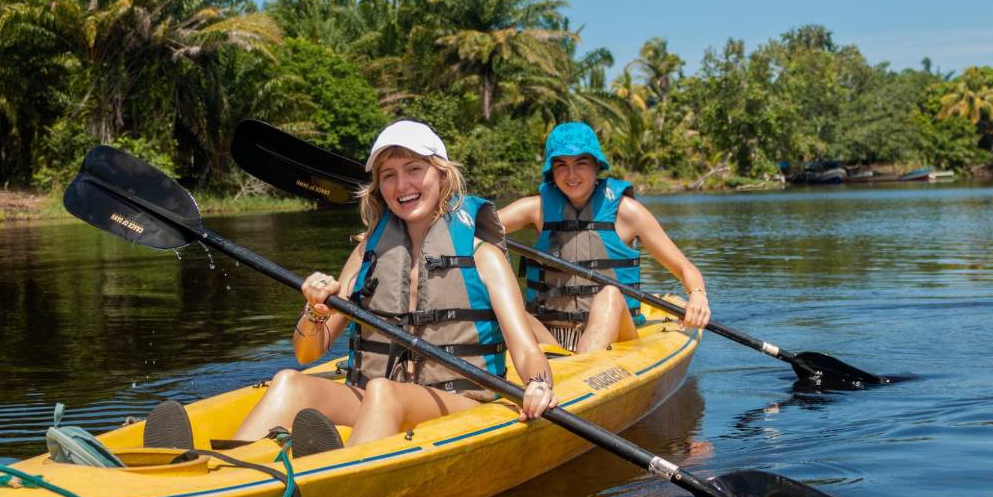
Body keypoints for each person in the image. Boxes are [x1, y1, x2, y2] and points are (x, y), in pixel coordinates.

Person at [232, 120, 558, 454]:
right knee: (289, 382)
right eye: (389, 175)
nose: (402, 185)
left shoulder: (484, 258)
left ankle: (333, 483)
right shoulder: (366, 255)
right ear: (379, 186)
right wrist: (313, 311)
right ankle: (224, 479)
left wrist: (537, 384)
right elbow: (307, 352)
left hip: (459, 403)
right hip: (378, 397)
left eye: (414, 169)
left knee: (384, 393)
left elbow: (526, 350)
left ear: (442, 175)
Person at [499, 122, 710, 353]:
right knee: (503, 303)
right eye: (561, 165)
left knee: (610, 294)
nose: (571, 175)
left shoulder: (628, 212)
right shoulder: (536, 209)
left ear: (596, 165)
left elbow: (685, 269)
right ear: (551, 171)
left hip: (617, 335)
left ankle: (583, 367)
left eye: (580, 163)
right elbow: (473, 228)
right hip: (550, 336)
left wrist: (697, 296)